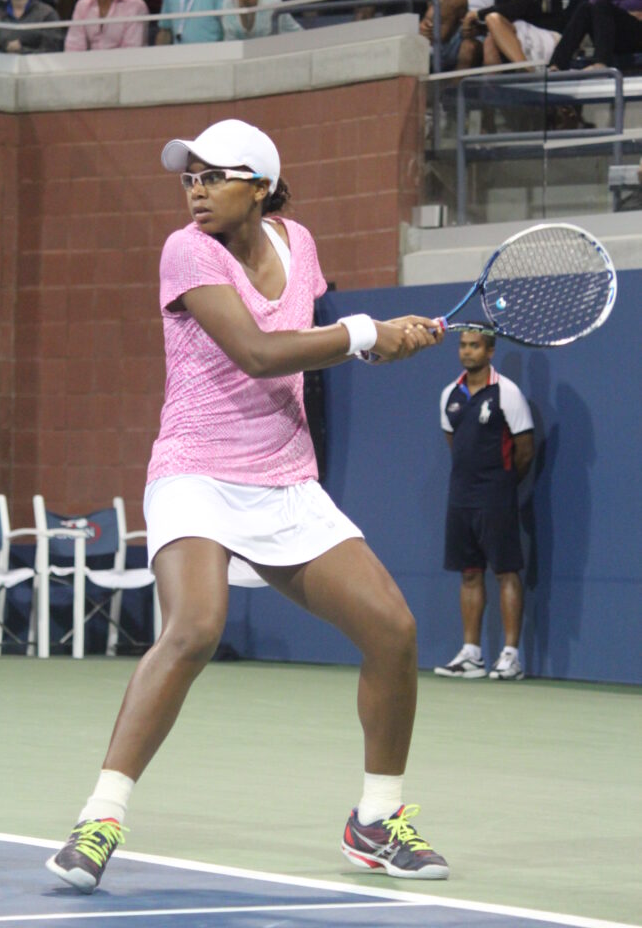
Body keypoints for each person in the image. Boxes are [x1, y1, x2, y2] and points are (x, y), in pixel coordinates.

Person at [45, 117, 449, 894]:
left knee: (392, 631)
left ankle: (376, 820)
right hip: (194, 472)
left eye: (213, 177)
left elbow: (301, 343)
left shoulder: (300, 245)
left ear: (260, 187)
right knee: (194, 627)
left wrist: (383, 343)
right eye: (188, 178)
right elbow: (258, 353)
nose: (195, 191)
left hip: (285, 479)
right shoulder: (186, 250)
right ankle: (100, 819)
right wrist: (362, 333)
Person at [434, 328, 534, 682]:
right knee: (469, 573)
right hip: (461, 497)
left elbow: (524, 450)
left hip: (497, 497)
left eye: (474, 346)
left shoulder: (507, 392)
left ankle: (510, 657)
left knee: (506, 572)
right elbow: (455, 443)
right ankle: (472, 655)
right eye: (463, 345)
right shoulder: (450, 394)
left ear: (490, 351)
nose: (467, 351)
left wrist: (501, 485)